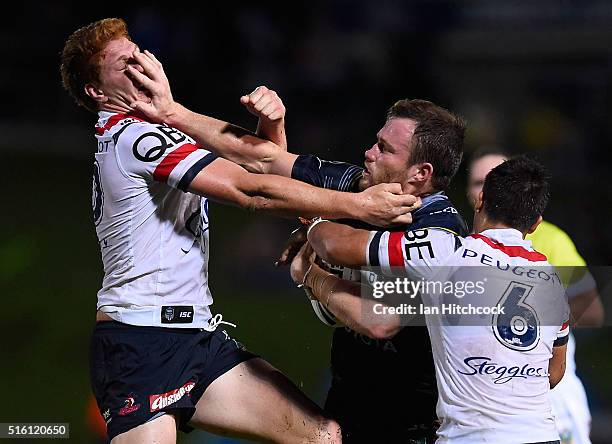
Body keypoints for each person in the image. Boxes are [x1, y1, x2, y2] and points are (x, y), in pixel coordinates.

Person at [60, 18, 421, 443]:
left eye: (139, 54)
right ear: (97, 93)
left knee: (322, 436)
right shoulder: (134, 139)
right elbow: (247, 189)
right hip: (140, 345)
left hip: (196, 339)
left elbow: (263, 165)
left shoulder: (161, 127)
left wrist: (273, 125)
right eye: (123, 66)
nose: (140, 68)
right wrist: (360, 205)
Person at [126, 50, 468, 441]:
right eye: (376, 142)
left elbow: (380, 321)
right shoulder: (357, 184)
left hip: (413, 424)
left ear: (421, 174)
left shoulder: (440, 237)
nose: (368, 153)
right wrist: (174, 113)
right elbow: (265, 161)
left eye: (385, 150)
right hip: (350, 403)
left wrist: (310, 270)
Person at [292, 156, 570, 444]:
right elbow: (554, 372)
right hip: (542, 435)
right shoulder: (552, 282)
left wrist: (314, 230)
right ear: (536, 223)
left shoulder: (444, 253)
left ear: (480, 200)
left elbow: (336, 245)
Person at [467, 148, 604, 444]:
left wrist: (538, 333)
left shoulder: (550, 240)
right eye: (478, 182)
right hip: (491, 399)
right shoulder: (466, 243)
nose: (483, 190)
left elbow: (592, 309)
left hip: (551, 394)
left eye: (490, 181)